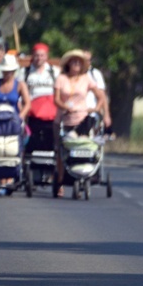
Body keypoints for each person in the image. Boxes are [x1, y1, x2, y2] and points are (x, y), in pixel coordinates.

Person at [53, 49, 106, 195]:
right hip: (65, 118)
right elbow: (56, 99)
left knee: (83, 145)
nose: (76, 64)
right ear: (68, 64)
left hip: (82, 118)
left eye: (78, 62)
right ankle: (61, 180)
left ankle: (84, 174)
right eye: (73, 61)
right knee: (61, 149)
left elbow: (100, 95)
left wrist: (96, 108)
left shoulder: (86, 79)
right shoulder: (61, 79)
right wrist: (65, 107)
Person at [0, 54, 31, 195]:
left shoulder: (20, 85)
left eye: (9, 71)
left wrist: (20, 117)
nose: (7, 73)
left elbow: (28, 103)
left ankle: (13, 174)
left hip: (13, 122)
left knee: (14, 146)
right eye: (5, 71)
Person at [83, 49, 112, 130]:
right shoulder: (72, 74)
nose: (87, 62)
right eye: (84, 60)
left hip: (92, 114)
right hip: (75, 115)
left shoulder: (95, 74)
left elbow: (102, 95)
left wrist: (106, 115)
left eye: (89, 60)